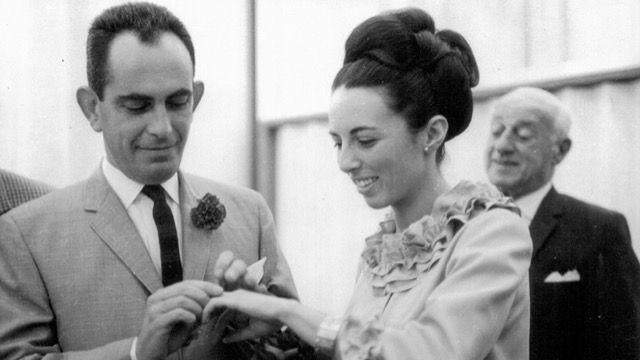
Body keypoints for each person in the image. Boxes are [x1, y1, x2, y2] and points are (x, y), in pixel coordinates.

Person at [201, 8, 532, 359]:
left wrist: (290, 312)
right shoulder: (383, 250)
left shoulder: (493, 232)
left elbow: (431, 352)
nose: (344, 162)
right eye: (338, 142)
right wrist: (275, 330)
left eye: (366, 140)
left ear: (432, 133)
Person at [0, 3, 296, 360]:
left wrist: (265, 327)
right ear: (92, 108)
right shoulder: (25, 234)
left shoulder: (250, 212)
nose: (162, 128)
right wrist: (137, 351)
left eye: (177, 102)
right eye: (137, 106)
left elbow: (295, 345)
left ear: (196, 98)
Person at [485, 86, 640, 359]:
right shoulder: (464, 223)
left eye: (523, 135)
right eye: (497, 131)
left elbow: (627, 344)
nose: (502, 146)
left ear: (560, 150)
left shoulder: (600, 228)